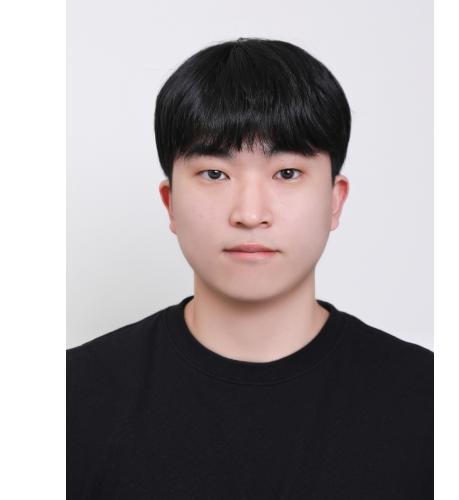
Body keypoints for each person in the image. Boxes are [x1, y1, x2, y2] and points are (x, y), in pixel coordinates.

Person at [67, 37, 433, 499]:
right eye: (215, 174)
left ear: (335, 201)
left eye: (287, 173)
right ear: (170, 203)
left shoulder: (430, 400)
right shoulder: (70, 398)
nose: (250, 213)